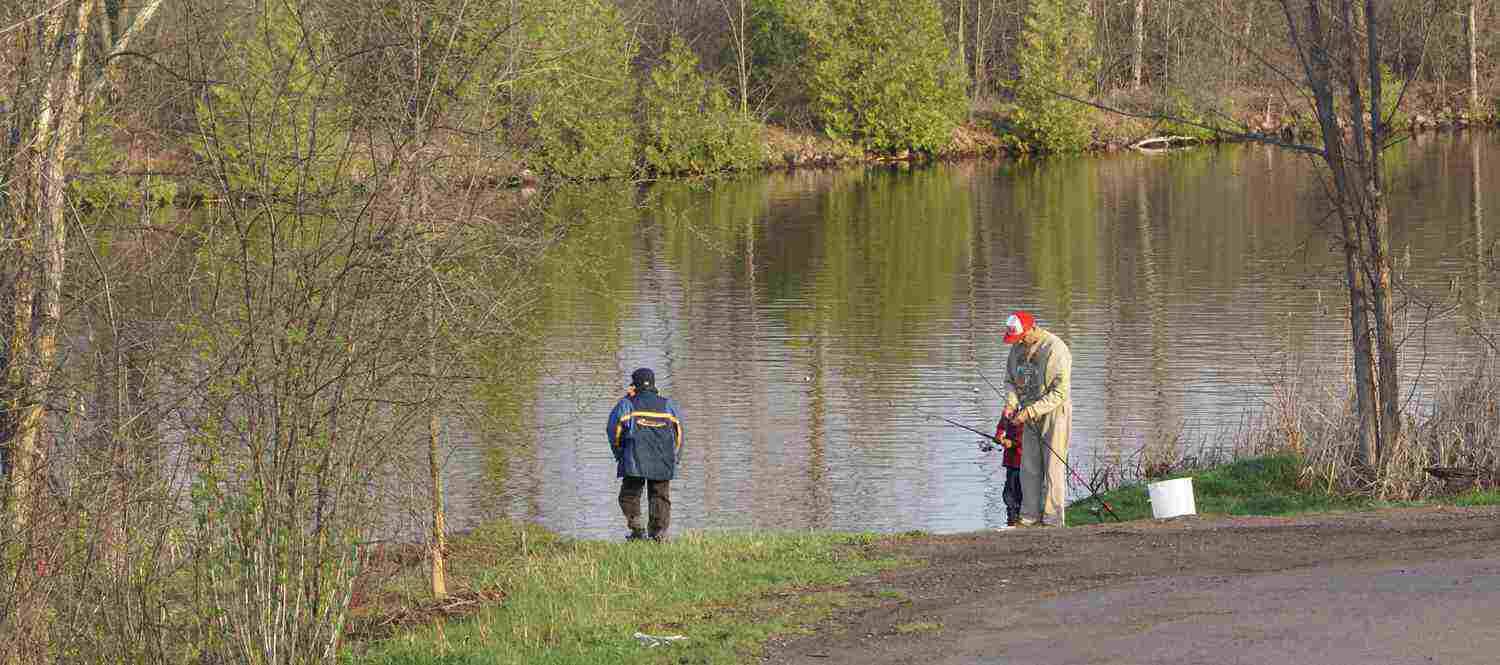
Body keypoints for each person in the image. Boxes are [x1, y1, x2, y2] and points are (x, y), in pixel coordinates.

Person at [1001, 311, 1073, 527]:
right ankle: (1029, 517)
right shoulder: (1016, 349)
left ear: (1032, 328)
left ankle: (1053, 519)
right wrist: (1011, 403)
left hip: (1054, 414)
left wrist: (1030, 411)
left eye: (1021, 337)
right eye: (1015, 339)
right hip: (1027, 414)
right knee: (1028, 467)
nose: (1019, 342)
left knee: (1053, 468)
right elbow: (1010, 381)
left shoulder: (1055, 348)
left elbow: (1060, 393)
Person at [605, 368, 684, 542]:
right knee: (660, 496)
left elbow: (613, 431)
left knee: (629, 495)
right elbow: (679, 433)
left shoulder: (626, 404)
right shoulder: (668, 405)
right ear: (653, 384)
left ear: (635, 384)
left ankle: (637, 531)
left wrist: (620, 454)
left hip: (634, 460)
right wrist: (675, 458)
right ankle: (659, 534)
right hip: (663, 460)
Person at [993, 414, 1024, 527]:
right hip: (1010, 462)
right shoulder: (1009, 410)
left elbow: (1030, 438)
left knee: (1019, 492)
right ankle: (1012, 519)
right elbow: (1001, 426)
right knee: (1009, 492)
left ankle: (1018, 518)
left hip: (1023, 461)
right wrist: (999, 436)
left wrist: (1014, 443)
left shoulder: (1029, 411)